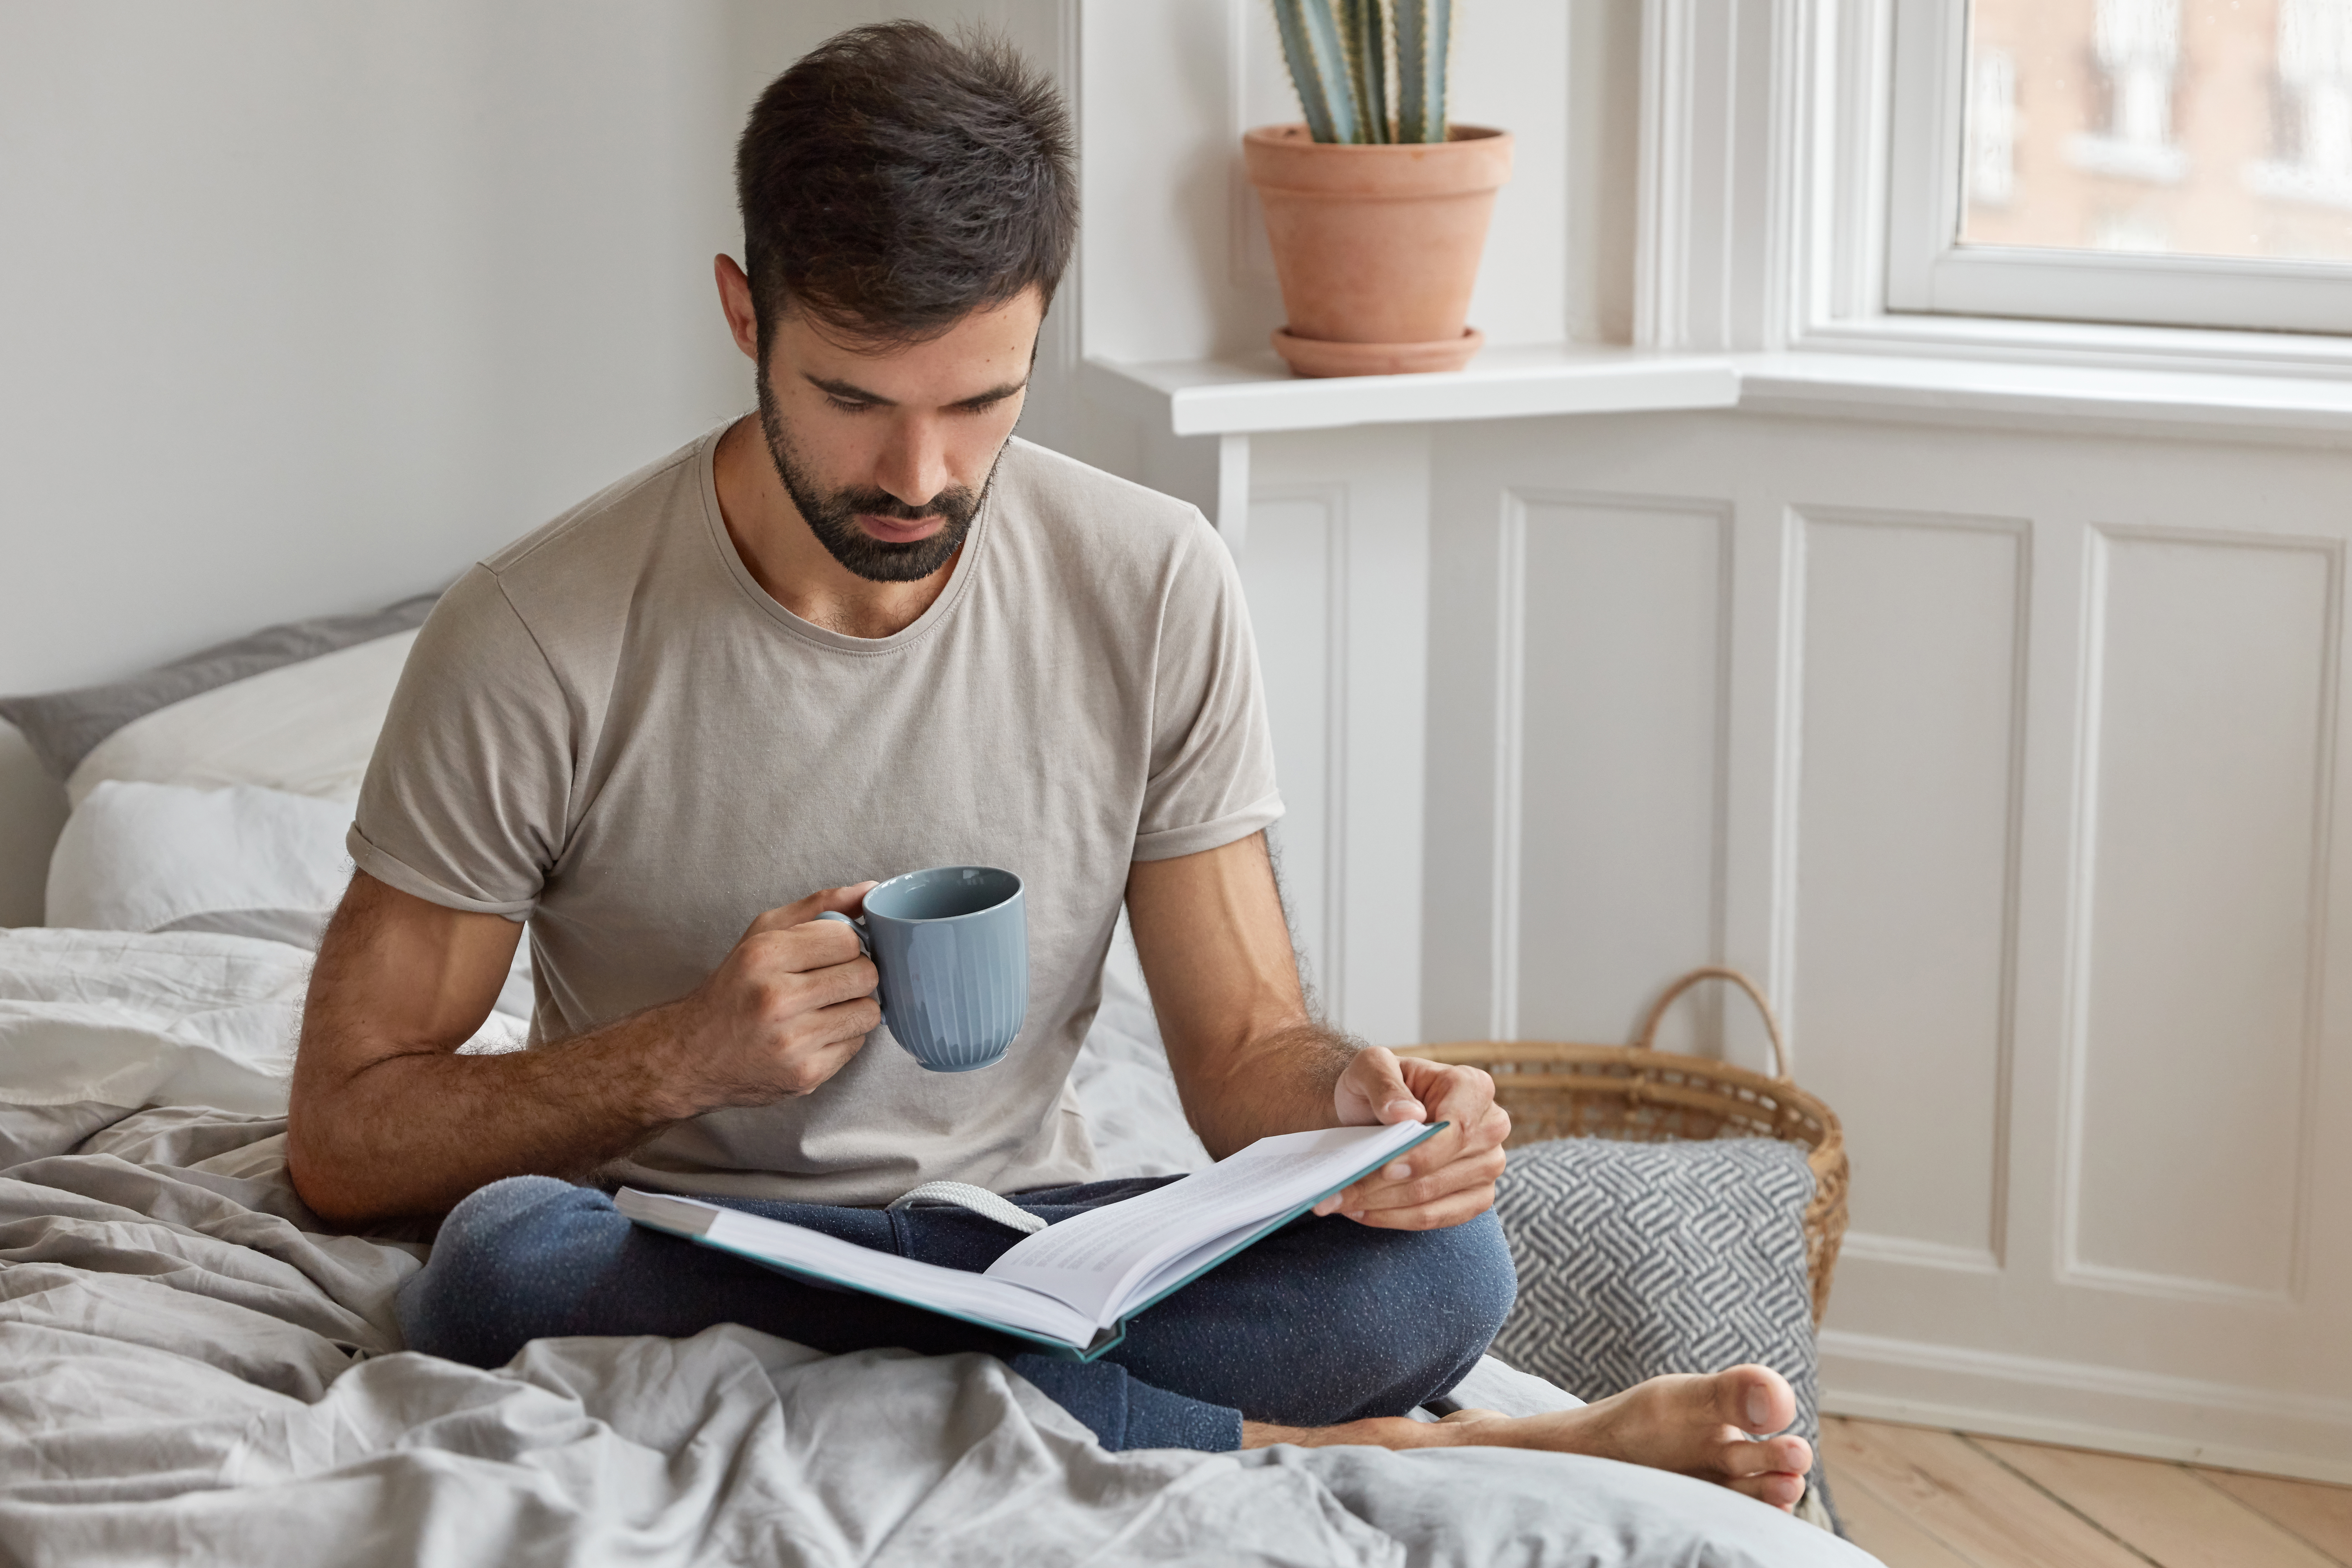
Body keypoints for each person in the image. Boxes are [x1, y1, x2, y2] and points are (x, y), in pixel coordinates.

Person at [285, 21, 1814, 1510]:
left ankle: (998, 1380)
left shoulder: (1150, 582)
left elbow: (1239, 1065)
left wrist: (1356, 1110)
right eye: (853, 401)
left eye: (980, 402)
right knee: (500, 1266)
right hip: (681, 1245)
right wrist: (677, 1059)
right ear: (746, 315)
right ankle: (1373, 1452)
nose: (921, 476)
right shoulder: (535, 636)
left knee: (1444, 1273)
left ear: (1040, 329)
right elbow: (348, 1141)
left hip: (1030, 1242)